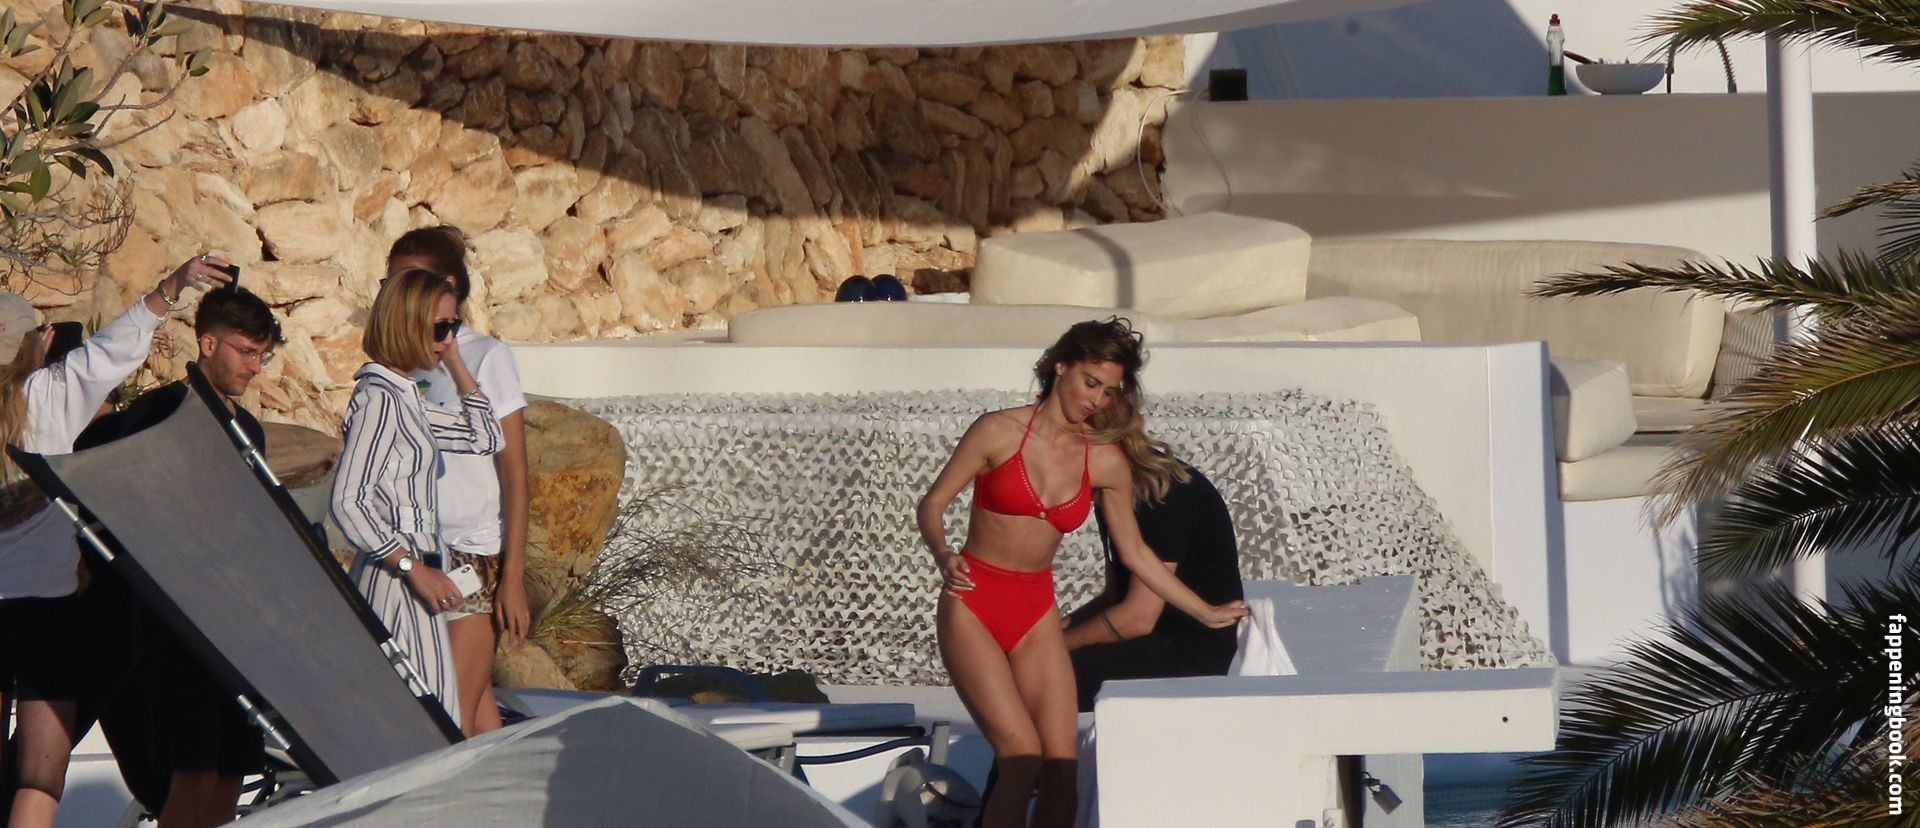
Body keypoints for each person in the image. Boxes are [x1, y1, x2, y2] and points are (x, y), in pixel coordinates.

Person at [916, 318, 1247, 827]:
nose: (1095, 399)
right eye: (1090, 382)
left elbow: (1136, 555)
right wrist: (943, 554)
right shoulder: (996, 431)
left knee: (1061, 769)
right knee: (1020, 757)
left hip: (1036, 613)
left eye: (1108, 390)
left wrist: (1204, 611)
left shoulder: (1105, 461)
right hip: (974, 601)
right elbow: (933, 503)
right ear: (1060, 365)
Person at [0, 255, 234, 828]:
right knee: (38, 779)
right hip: (45, 610)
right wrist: (171, 286)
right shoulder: (51, 393)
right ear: (38, 341)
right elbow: (114, 348)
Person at [73, 286, 283, 827]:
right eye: (246, 351)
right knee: (191, 774)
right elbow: (111, 496)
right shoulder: (161, 411)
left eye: (262, 355)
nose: (254, 367)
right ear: (208, 344)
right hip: (175, 626)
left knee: (230, 772)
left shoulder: (248, 430)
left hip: (236, 625)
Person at [329, 268, 502, 729]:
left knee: (430, 716)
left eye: (454, 326)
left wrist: (456, 363)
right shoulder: (379, 399)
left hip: (420, 572)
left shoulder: (406, 398)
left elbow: (486, 438)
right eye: (440, 328)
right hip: (399, 577)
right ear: (407, 325)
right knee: (422, 721)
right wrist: (411, 567)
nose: (448, 338)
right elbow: (348, 499)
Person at [387, 226, 530, 737]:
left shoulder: (486, 356)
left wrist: (512, 578)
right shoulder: (399, 361)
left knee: (446, 719)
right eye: (390, 282)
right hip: (419, 553)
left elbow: (514, 471)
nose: (396, 293)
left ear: (447, 285)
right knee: (474, 715)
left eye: (408, 280)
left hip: (472, 555)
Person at [1062, 459, 1244, 712]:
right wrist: (1048, 636)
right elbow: (1114, 596)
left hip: (1189, 651)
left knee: (1046, 677)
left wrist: (1052, 649)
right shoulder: (1110, 490)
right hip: (1152, 636)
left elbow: (1138, 618)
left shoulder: (1161, 494)